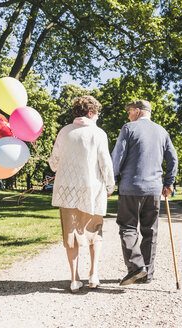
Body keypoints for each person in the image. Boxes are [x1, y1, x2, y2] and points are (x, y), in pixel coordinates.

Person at [49, 95, 115, 293]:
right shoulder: (98, 133)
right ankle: (94, 274)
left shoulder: (64, 132)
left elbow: (54, 163)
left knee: (71, 235)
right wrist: (110, 186)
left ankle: (74, 279)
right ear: (91, 112)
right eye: (97, 113)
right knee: (95, 231)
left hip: (66, 191)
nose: (98, 117)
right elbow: (105, 163)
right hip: (92, 190)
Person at [112, 100, 178, 286]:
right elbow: (173, 159)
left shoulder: (129, 128)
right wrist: (169, 182)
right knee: (150, 231)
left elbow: (118, 157)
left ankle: (136, 267)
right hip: (154, 190)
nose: (128, 115)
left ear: (138, 111)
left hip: (130, 188)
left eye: (130, 111)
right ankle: (147, 273)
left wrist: (110, 179)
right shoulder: (162, 131)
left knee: (127, 227)